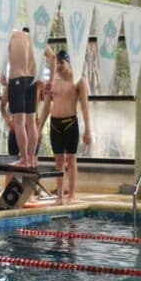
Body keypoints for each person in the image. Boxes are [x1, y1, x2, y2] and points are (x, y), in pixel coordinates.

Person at [38, 50, 92, 204]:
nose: (59, 66)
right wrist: (39, 130)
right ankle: (60, 196)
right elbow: (46, 107)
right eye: (58, 63)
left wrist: (88, 130)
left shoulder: (79, 80)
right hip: (55, 124)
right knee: (59, 162)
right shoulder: (52, 81)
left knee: (71, 159)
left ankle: (71, 195)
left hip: (70, 123)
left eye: (62, 63)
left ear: (70, 63)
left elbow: (85, 107)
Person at [3, 28, 54, 168]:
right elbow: (53, 57)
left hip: (17, 80)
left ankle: (24, 159)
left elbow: (3, 53)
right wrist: (51, 81)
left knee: (19, 123)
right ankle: (31, 159)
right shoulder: (37, 39)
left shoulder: (11, 34)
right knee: (31, 123)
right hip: (32, 81)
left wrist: (2, 73)